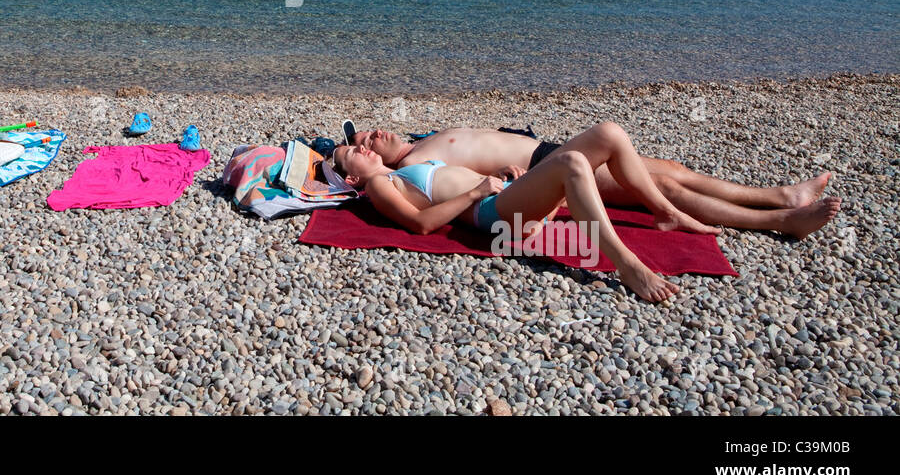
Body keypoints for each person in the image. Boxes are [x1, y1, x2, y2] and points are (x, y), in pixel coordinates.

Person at [334, 125, 717, 302]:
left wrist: (498, 176)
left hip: (502, 193)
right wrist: (477, 191)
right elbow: (421, 225)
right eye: (354, 151)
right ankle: (627, 264)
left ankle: (664, 211)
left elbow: (451, 180)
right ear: (352, 177)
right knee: (572, 164)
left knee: (609, 134)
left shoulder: (402, 167)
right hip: (492, 212)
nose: (363, 148)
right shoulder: (378, 187)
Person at [348, 126, 839, 239]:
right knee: (664, 188)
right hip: (547, 165)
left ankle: (778, 196)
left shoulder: (421, 141)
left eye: (372, 131)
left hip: (546, 151)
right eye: (367, 141)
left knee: (671, 170)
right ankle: (778, 218)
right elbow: (447, 197)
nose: (376, 136)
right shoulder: (410, 170)